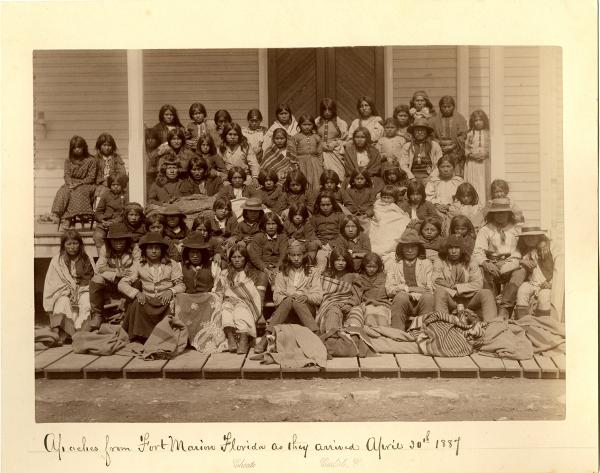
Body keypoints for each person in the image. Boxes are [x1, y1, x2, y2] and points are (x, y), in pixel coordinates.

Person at [255, 239, 323, 352]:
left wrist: (306, 296)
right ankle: (317, 334)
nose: (296, 258)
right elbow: (276, 297)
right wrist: (290, 297)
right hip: (286, 312)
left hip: (306, 311)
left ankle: (265, 339)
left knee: (295, 300)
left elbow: (318, 296)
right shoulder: (282, 274)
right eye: (293, 255)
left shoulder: (313, 272)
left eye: (299, 255)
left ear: (304, 255)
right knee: (291, 299)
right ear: (288, 256)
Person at [119, 232, 185, 341]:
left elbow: (181, 285)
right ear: (145, 250)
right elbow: (122, 284)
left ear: (162, 250)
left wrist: (171, 290)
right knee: (137, 303)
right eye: (150, 248)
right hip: (148, 301)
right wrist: (137, 293)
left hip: (165, 302)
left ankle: (165, 335)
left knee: (175, 304)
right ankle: (142, 336)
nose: (154, 251)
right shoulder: (138, 265)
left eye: (157, 248)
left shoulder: (171, 264)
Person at [472, 198, 523, 318]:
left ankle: (505, 307)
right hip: (492, 263)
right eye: (497, 212)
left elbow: (521, 250)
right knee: (484, 271)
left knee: (519, 272)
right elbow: (478, 251)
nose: (500, 215)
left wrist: (507, 264)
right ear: (492, 214)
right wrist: (486, 263)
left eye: (503, 212)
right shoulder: (486, 230)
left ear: (509, 214)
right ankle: (491, 308)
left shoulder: (516, 229)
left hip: (512, 262)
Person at [43, 229, 95, 340]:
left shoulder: (86, 258)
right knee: (62, 302)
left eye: (75, 243)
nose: (72, 247)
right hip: (63, 291)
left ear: (80, 244)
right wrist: (69, 291)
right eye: (69, 244)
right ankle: (63, 333)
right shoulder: (57, 260)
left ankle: (80, 332)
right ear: (64, 245)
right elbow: (53, 282)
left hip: (83, 289)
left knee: (86, 302)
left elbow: (90, 278)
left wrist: (78, 291)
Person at [213, 244, 264, 353]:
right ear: (230, 259)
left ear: (246, 258)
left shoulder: (252, 274)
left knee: (240, 311)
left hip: (248, 304)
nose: (237, 260)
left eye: (240, 257)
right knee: (226, 310)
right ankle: (231, 338)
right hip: (228, 302)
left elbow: (254, 294)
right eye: (234, 257)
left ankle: (244, 339)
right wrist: (227, 299)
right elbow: (218, 291)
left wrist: (239, 300)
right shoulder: (224, 273)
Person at [433, 235, 497, 322]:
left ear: (462, 249)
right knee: (440, 291)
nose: (453, 251)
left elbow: (478, 284)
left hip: (469, 299)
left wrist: (456, 287)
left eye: (457, 248)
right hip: (451, 299)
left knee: (486, 293)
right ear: (446, 249)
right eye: (450, 248)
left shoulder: (471, 260)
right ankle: (443, 325)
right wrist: (454, 293)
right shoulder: (440, 260)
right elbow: (436, 282)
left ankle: (492, 325)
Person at [88, 222, 140, 330]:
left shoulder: (134, 248)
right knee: (96, 280)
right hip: (112, 281)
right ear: (110, 240)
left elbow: (136, 269)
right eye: (114, 240)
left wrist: (123, 278)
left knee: (138, 282)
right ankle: (97, 314)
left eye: (121, 239)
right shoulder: (105, 248)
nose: (118, 243)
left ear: (127, 239)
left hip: (129, 281)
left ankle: (128, 314)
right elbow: (98, 269)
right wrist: (115, 273)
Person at [385, 229, 434, 330]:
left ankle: (424, 333)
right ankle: (398, 334)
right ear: (401, 249)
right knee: (401, 297)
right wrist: (410, 289)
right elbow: (390, 289)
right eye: (406, 247)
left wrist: (402, 288)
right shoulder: (394, 265)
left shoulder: (426, 264)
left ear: (419, 249)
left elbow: (429, 289)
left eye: (413, 247)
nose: (410, 250)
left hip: (422, 302)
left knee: (428, 297)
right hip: (403, 303)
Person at [514, 226, 560, 319]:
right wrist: (522, 261)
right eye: (526, 237)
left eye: (533, 236)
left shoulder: (550, 249)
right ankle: (523, 321)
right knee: (522, 291)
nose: (530, 239)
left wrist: (551, 283)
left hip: (547, 283)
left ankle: (543, 323)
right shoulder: (528, 251)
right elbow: (516, 261)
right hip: (533, 282)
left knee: (544, 296)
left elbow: (559, 270)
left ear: (540, 236)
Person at [50, 135, 98, 225]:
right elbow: (67, 175)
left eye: (79, 147)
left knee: (77, 192)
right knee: (63, 191)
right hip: (71, 183)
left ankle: (68, 220)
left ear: (84, 147)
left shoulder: (91, 160)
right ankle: (57, 214)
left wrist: (78, 183)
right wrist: (70, 183)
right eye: (74, 148)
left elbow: (91, 177)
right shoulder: (68, 160)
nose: (77, 150)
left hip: (86, 184)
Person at [316, 247, 358, 332]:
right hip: (329, 305)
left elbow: (357, 295)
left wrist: (350, 304)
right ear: (332, 261)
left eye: (343, 260)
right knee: (333, 310)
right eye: (337, 260)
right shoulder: (326, 275)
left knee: (356, 315)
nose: (340, 263)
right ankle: (333, 335)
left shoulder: (352, 276)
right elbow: (321, 294)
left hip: (347, 305)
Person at [344, 252, 391, 328]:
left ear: (378, 267)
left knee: (381, 314)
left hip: (382, 304)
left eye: (374, 267)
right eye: (368, 266)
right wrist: (350, 304)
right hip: (367, 305)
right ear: (364, 266)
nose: (371, 269)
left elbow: (390, 291)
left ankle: (380, 331)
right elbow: (356, 295)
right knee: (367, 312)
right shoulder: (360, 279)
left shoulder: (384, 277)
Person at [430, 96, 468, 176]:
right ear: (440, 107)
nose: (447, 109)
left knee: (456, 174)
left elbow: (463, 135)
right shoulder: (434, 120)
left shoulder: (460, 119)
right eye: (444, 107)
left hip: (455, 151)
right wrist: (439, 143)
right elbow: (431, 136)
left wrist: (452, 146)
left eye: (449, 107)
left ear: (453, 107)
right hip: (440, 150)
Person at [247, 212, 288, 285]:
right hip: (262, 267)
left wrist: (278, 268)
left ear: (278, 225)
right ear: (263, 225)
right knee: (262, 278)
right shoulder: (258, 237)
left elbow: (283, 255)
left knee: (279, 278)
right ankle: (260, 295)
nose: (271, 227)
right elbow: (256, 258)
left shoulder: (282, 237)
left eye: (273, 224)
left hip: (278, 266)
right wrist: (266, 269)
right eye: (268, 224)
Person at [399, 117, 443, 181]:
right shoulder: (407, 146)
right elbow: (403, 164)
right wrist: (411, 177)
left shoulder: (434, 145)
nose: (419, 132)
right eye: (417, 130)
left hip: (431, 177)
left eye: (422, 130)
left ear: (427, 132)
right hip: (412, 177)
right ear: (413, 132)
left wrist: (430, 178)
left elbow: (440, 164)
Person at [310, 191, 346, 271]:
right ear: (318, 205)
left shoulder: (340, 216)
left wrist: (335, 245)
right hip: (322, 247)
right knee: (321, 260)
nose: (325, 208)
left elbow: (343, 233)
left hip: (337, 245)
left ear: (333, 204)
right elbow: (312, 233)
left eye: (328, 205)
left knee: (337, 261)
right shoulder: (315, 217)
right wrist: (320, 244)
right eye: (323, 205)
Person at [315, 97, 349, 181]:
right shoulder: (317, 121)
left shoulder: (340, 122)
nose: (327, 112)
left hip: (335, 152)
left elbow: (345, 139)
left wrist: (335, 144)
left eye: (329, 110)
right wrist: (320, 144)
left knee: (337, 175)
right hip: (320, 153)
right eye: (324, 110)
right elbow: (313, 136)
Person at [287, 114, 323, 190]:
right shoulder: (296, 137)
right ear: (299, 125)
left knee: (315, 181)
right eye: (304, 124)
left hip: (314, 163)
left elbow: (319, 153)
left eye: (309, 124)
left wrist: (320, 164)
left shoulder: (317, 137)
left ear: (313, 125)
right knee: (303, 180)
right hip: (301, 163)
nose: (307, 127)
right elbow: (292, 153)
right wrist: (295, 164)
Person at [218, 122, 260, 186]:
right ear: (225, 135)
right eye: (230, 134)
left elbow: (253, 163)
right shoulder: (221, 148)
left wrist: (255, 177)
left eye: (235, 135)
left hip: (244, 177)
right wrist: (222, 174)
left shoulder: (245, 146)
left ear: (239, 136)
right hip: (228, 178)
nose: (232, 137)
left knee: (249, 184)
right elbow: (218, 165)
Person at [93, 173, 128, 248]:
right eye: (113, 185)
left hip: (118, 224)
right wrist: (103, 221)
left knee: (113, 238)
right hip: (104, 224)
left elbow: (125, 214)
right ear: (110, 185)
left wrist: (113, 222)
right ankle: (102, 257)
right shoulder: (105, 195)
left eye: (118, 185)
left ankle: (111, 256)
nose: (115, 187)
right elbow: (98, 212)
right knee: (98, 236)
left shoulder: (125, 196)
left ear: (122, 185)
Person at [93, 133, 127, 206]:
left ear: (112, 146)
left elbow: (122, 172)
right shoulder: (96, 159)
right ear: (99, 146)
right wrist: (102, 181)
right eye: (104, 145)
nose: (107, 148)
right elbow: (94, 174)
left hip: (114, 183)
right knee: (100, 193)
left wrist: (114, 180)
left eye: (109, 145)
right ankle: (98, 211)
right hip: (100, 184)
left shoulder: (116, 158)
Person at [464, 109, 490, 201]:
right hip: (473, 163)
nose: (478, 123)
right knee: (474, 183)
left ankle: (484, 203)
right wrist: (473, 156)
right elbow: (466, 149)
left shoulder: (489, 134)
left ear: (484, 121)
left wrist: (486, 154)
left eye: (480, 120)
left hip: (484, 163)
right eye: (476, 120)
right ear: (473, 122)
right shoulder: (470, 134)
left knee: (483, 183)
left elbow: (492, 148)